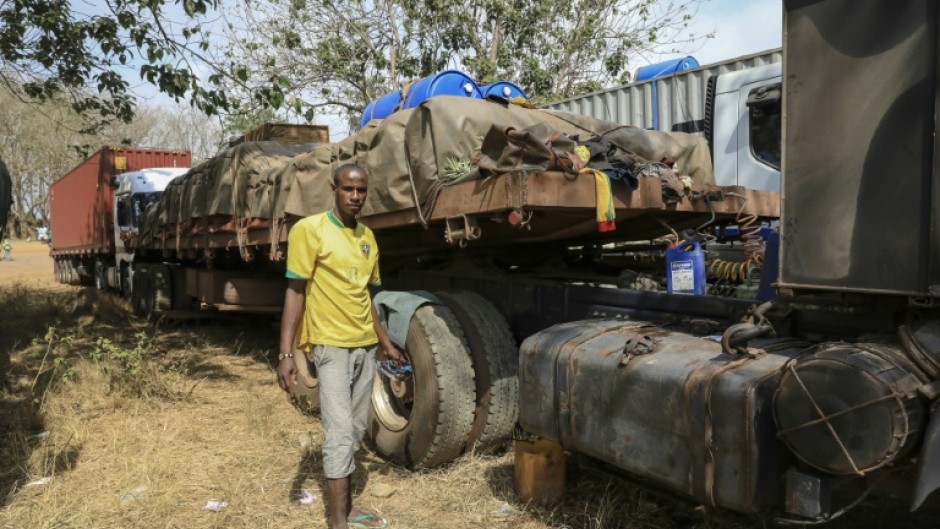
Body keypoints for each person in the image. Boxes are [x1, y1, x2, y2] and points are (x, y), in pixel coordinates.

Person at [277, 163, 403, 529]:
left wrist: (385, 343)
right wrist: (286, 355)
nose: (355, 196)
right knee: (339, 433)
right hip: (330, 346)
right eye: (348, 189)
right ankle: (337, 522)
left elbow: (365, 294)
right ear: (334, 188)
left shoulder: (367, 236)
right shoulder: (309, 230)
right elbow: (294, 292)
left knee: (357, 430)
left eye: (361, 190)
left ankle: (346, 511)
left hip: (365, 346)